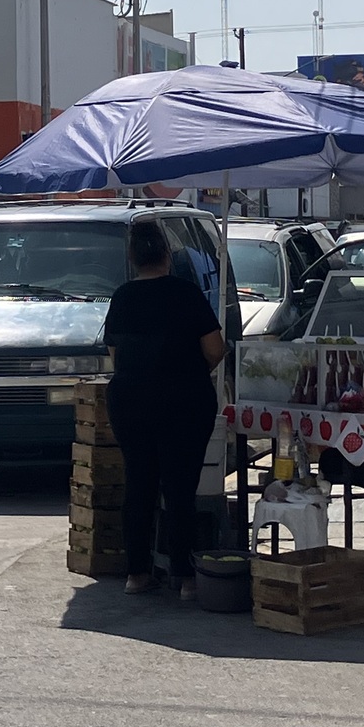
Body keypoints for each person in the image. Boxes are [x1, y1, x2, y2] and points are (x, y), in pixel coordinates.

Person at [102, 218, 227, 599]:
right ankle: (185, 577)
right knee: (180, 488)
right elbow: (216, 349)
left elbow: (114, 355)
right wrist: (188, 370)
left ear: (132, 257)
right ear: (168, 255)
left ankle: (136, 573)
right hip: (184, 402)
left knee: (139, 483)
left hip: (131, 401)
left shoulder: (122, 297)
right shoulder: (186, 294)